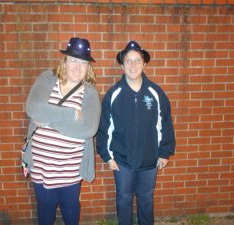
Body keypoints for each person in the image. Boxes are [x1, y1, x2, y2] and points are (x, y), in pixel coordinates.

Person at [22, 37, 101, 225]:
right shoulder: (48, 78)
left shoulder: (90, 92)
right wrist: (72, 114)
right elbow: (33, 108)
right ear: (64, 61)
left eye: (83, 62)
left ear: (88, 67)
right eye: (73, 60)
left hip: (70, 172)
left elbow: (88, 128)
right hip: (42, 167)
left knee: (71, 213)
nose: (78, 66)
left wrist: (48, 119)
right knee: (45, 213)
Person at [97, 41, 176, 225]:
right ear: (122, 65)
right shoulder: (113, 95)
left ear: (144, 64)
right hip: (122, 161)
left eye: (137, 60)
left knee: (146, 199)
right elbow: (104, 128)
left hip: (149, 160)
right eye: (128, 61)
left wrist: (164, 152)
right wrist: (108, 157)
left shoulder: (156, 93)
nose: (133, 65)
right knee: (123, 199)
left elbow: (165, 123)